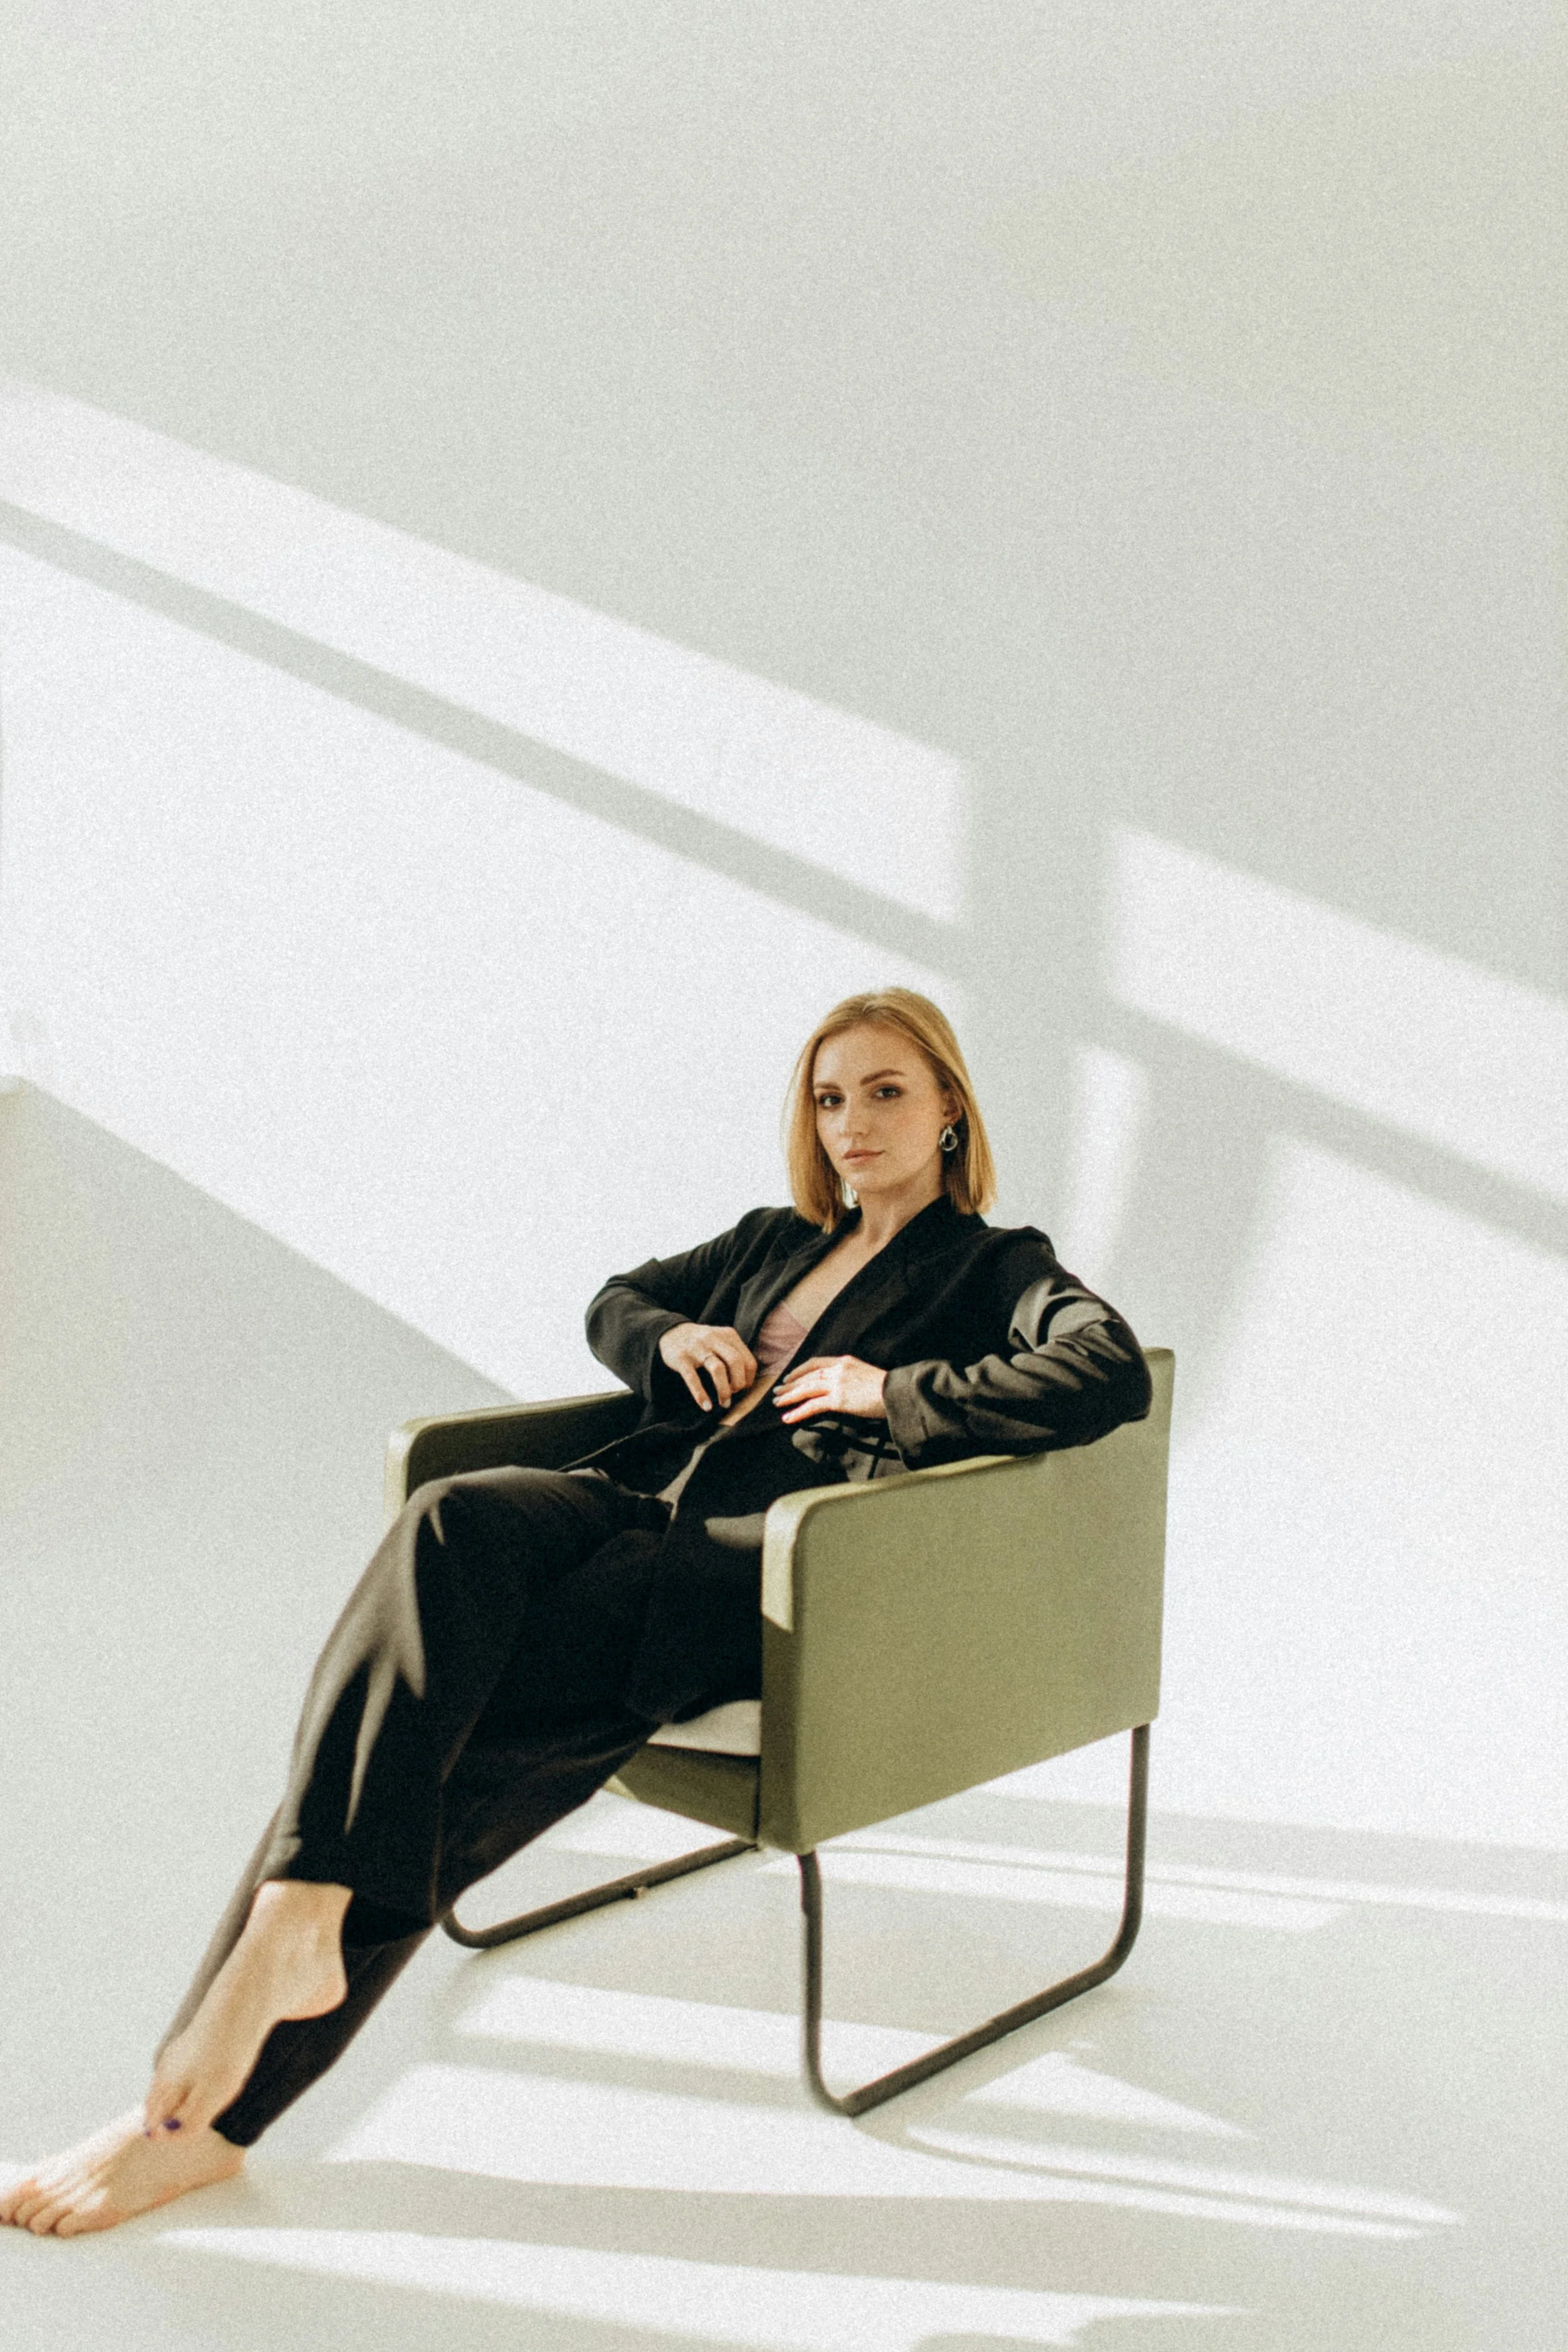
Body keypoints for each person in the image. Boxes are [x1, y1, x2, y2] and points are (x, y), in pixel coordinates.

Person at [1, 987, 1151, 2237]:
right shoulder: (770, 1238)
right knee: (451, 1514)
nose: (851, 1123)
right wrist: (671, 1341)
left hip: (745, 1575)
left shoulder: (993, 1269)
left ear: (946, 1113)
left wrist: (892, 1391)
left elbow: (1102, 1371)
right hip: (627, 1497)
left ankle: (199, 2122)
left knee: (440, 1750)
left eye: (884, 1092)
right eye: (829, 1098)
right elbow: (615, 1299)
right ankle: (301, 1907)